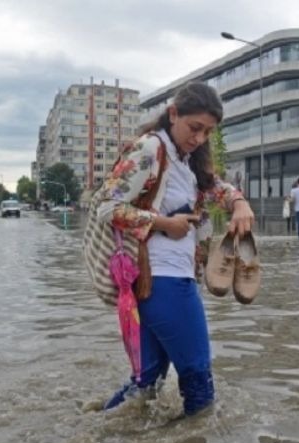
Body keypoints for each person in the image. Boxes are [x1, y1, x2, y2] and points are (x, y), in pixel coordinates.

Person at [94, 82, 254, 416]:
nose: (199, 139)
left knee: (146, 382)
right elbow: (106, 207)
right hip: (163, 280)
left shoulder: (186, 159)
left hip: (161, 281)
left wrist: (238, 202)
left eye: (208, 132)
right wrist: (165, 224)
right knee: (198, 378)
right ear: (173, 114)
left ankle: (98, 431)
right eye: (194, 128)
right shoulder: (151, 149)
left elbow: (215, 188)